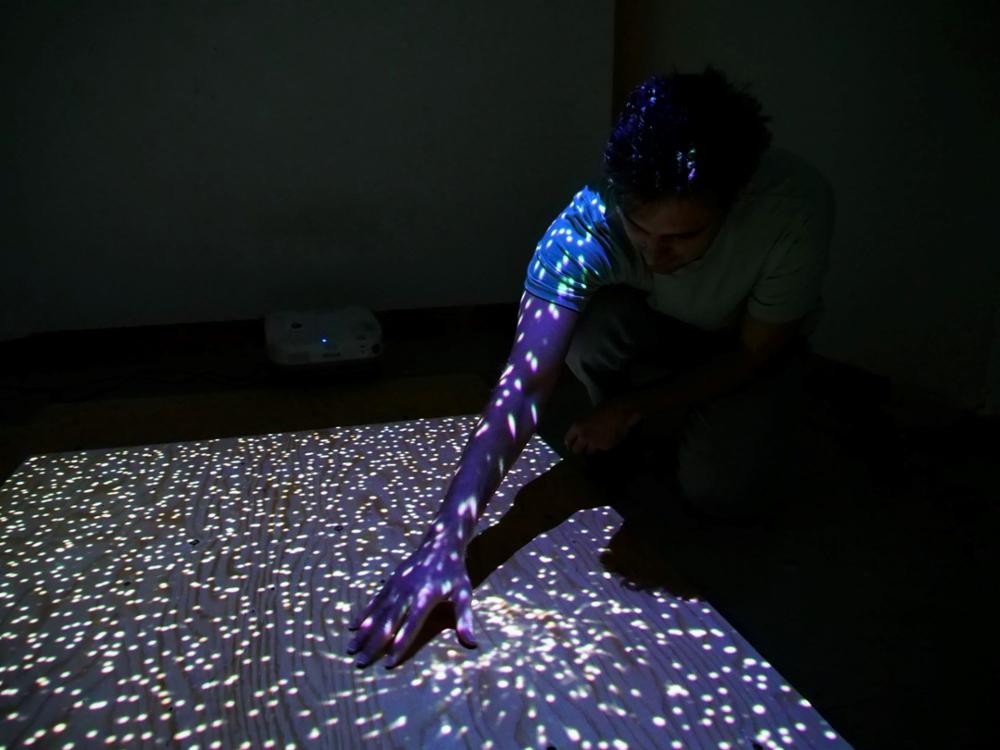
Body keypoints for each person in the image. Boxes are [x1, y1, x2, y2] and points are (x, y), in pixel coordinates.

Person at [347, 66, 835, 668]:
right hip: (653, 333)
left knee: (721, 490)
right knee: (593, 328)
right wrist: (447, 539)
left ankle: (649, 424)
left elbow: (754, 353)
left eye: (683, 237)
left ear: (733, 202)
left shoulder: (794, 208)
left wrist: (633, 405)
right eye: (640, 228)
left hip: (747, 352)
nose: (657, 254)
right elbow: (523, 382)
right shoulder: (586, 226)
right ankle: (641, 433)